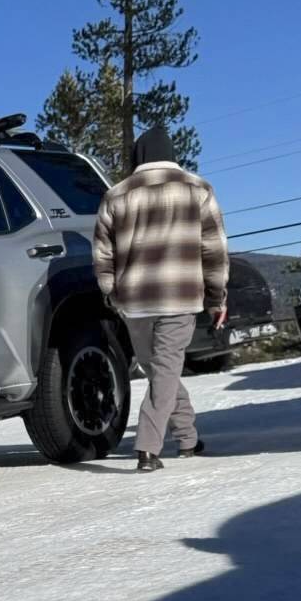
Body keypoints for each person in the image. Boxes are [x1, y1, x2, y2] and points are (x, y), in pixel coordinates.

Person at [93, 127, 229, 472]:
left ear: (139, 157)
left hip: (133, 301)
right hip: (179, 295)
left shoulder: (116, 195)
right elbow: (213, 250)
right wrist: (216, 298)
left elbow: (102, 254)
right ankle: (148, 449)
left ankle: (186, 438)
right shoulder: (198, 189)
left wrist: (111, 292)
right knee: (164, 371)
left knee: (161, 370)